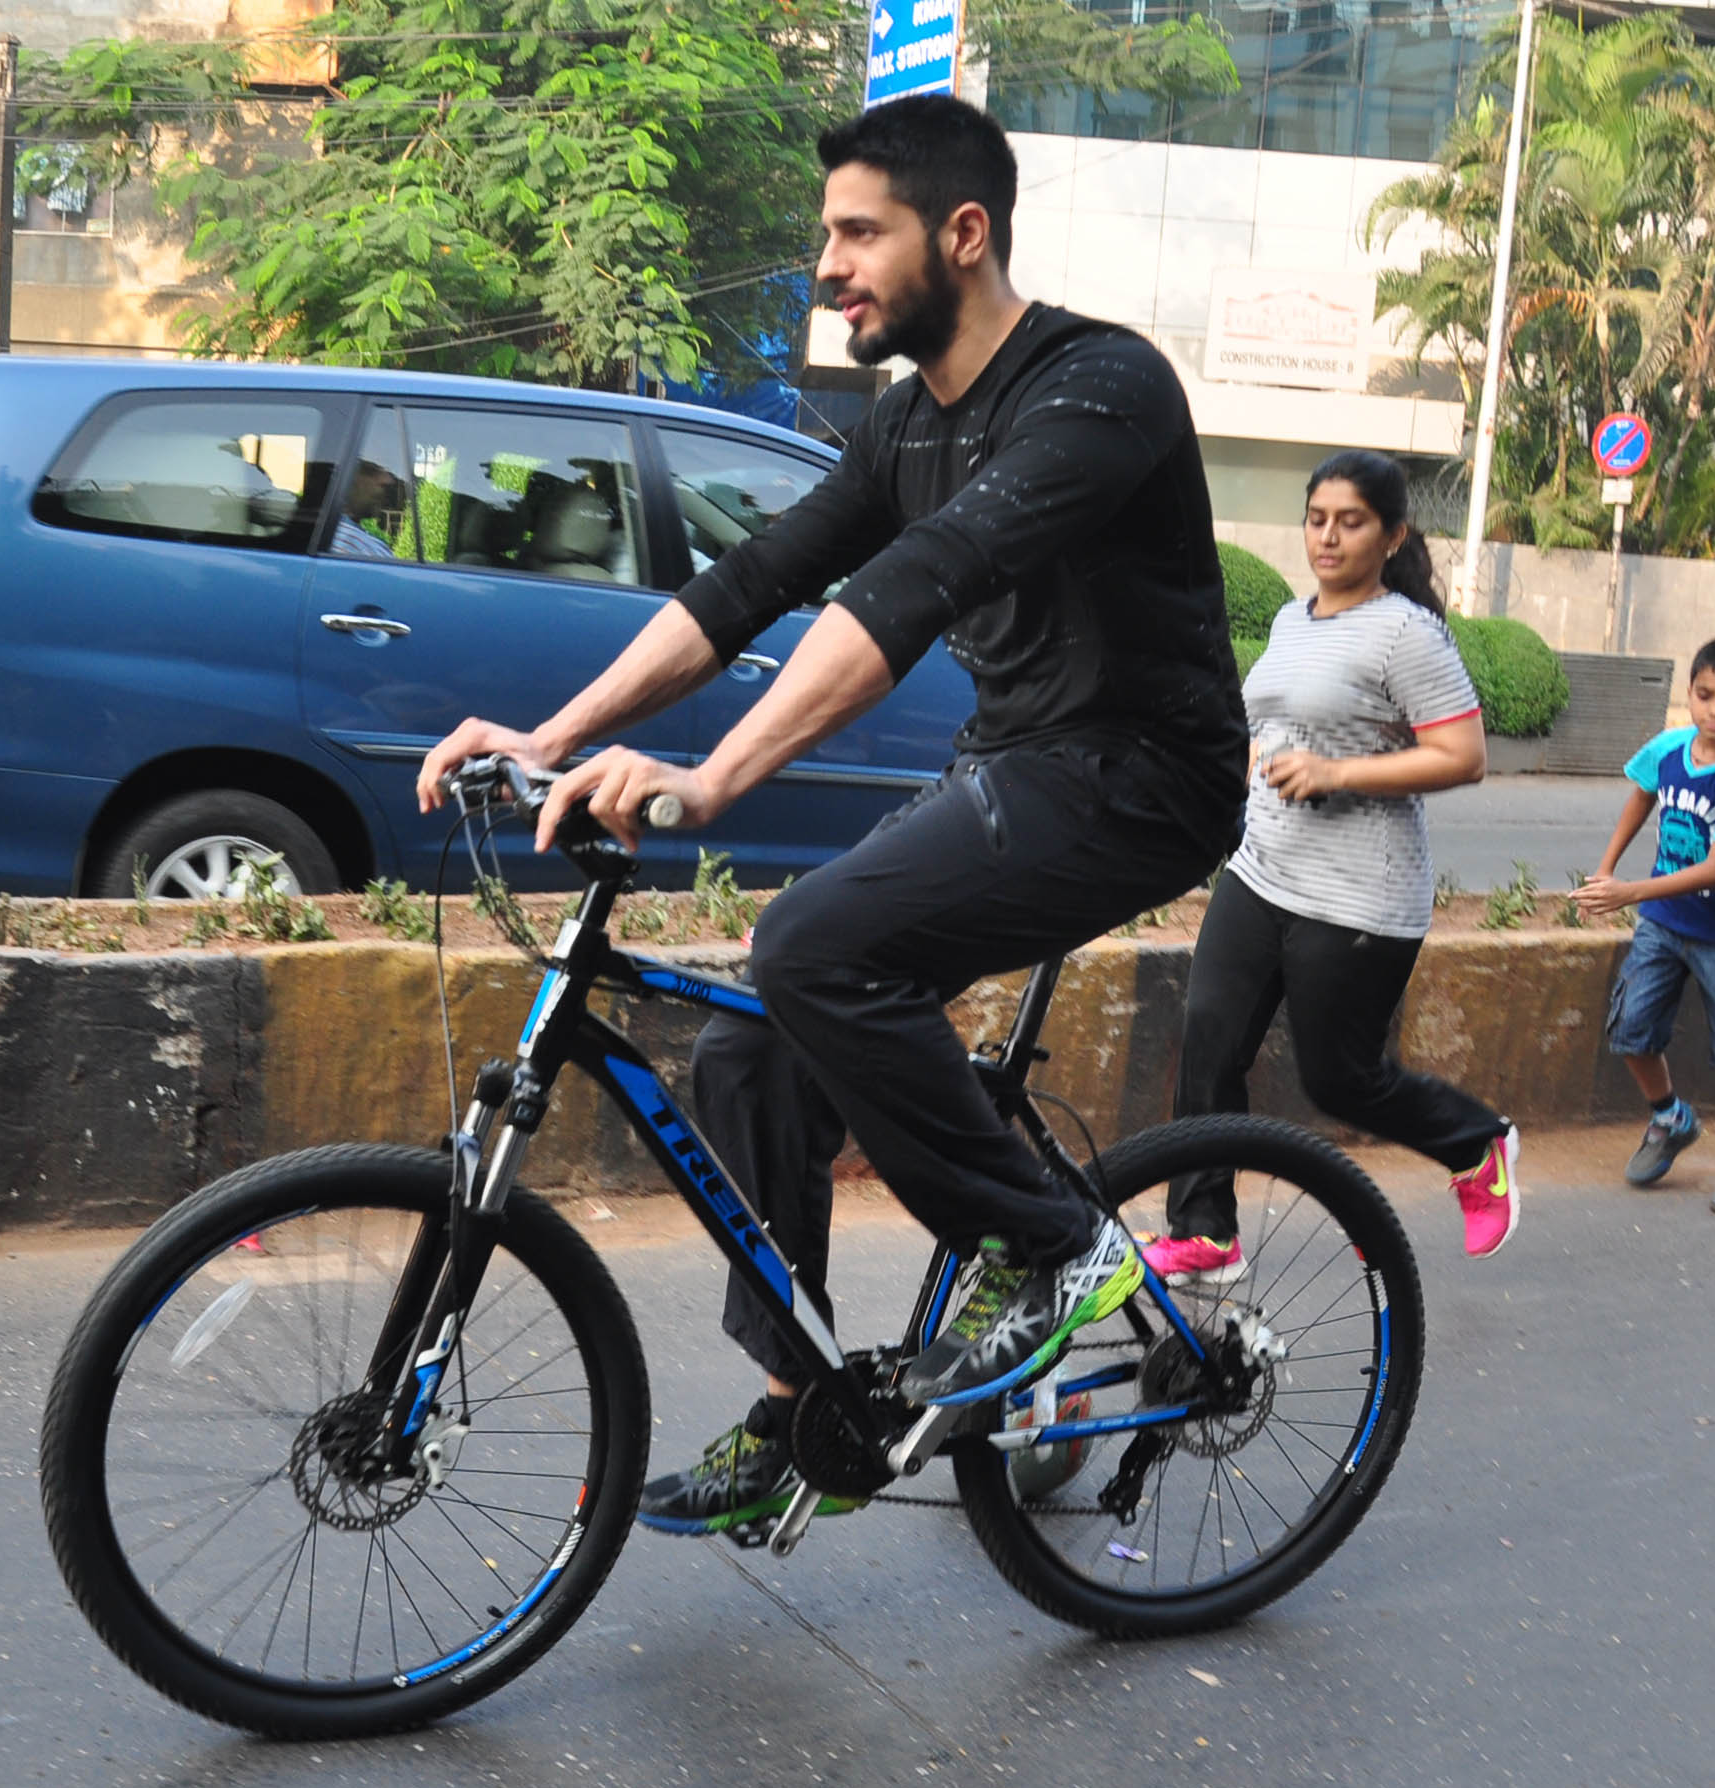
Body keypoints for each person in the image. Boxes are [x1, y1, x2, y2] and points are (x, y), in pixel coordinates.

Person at [416, 95, 1249, 1537]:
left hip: (1137, 779)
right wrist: (548, 738)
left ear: (961, 233)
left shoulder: (1095, 390)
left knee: (809, 944)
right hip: (1013, 766)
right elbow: (748, 589)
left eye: (858, 232)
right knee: (751, 1037)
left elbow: (917, 584)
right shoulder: (902, 422)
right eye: (828, 235)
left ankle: (1050, 1248)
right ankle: (803, 1401)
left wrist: (707, 778)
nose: (826, 265)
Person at [1151, 452, 1521, 1281]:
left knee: (1342, 1079)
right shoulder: (1291, 620)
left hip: (1357, 897)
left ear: (1391, 535)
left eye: (1348, 520)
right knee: (1208, 1043)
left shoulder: (1406, 633)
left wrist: (1336, 772)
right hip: (1261, 871)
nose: (1326, 535)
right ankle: (1204, 1228)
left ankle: (1476, 1142)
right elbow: (1268, 735)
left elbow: (1462, 756)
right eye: (1316, 517)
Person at [1577, 636, 1715, 1215]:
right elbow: (1642, 794)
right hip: (1663, 924)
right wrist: (1606, 866)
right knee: (1631, 1028)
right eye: (1705, 694)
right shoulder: (1670, 748)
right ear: (1688, 693)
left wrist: (1629, 891)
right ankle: (1670, 1117)